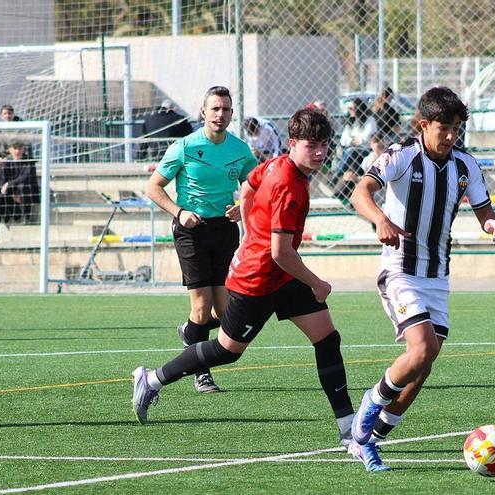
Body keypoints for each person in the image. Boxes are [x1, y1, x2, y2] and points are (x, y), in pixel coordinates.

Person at [132, 108, 358, 451]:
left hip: (281, 275)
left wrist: (250, 221)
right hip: (257, 280)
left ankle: (348, 429)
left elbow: (249, 188)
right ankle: (151, 380)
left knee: (327, 339)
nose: (320, 152)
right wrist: (317, 282)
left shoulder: (274, 164)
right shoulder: (289, 185)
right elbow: (281, 252)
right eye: (312, 144)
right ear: (293, 143)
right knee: (227, 350)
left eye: (324, 144)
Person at [349, 86, 495, 471]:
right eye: (443, 129)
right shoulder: (400, 158)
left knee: (425, 363)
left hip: (437, 276)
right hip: (400, 268)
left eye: (456, 129)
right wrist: (381, 219)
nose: (451, 137)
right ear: (423, 125)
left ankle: (371, 439)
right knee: (420, 350)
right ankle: (365, 415)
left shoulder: (466, 166)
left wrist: (492, 223)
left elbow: (483, 208)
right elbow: (360, 192)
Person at [145, 86, 257, 393]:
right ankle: (202, 373)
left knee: (226, 314)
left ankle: (190, 333)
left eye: (226, 110)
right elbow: (153, 187)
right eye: (215, 109)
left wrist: (243, 206)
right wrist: (180, 212)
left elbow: (256, 183)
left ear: (232, 114)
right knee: (201, 308)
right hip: (191, 230)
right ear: (203, 112)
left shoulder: (240, 149)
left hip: (224, 230)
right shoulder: (184, 147)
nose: (220, 115)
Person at [0, 141, 38, 240]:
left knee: (23, 186)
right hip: (11, 198)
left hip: (25, 198)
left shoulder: (29, 161)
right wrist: (12, 194)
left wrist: (9, 184)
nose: (18, 151)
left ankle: (26, 218)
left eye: (20, 148)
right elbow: (2, 183)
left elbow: (26, 178)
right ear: (10, 149)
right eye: (15, 148)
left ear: (24, 149)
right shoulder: (7, 163)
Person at [333, 98, 376, 200]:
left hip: (366, 150)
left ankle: (336, 177)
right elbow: (344, 140)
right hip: (353, 153)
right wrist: (353, 141)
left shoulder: (369, 120)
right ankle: (344, 193)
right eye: (349, 108)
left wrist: (352, 140)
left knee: (351, 152)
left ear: (360, 108)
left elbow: (364, 139)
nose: (351, 110)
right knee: (353, 164)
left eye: (353, 108)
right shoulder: (351, 122)